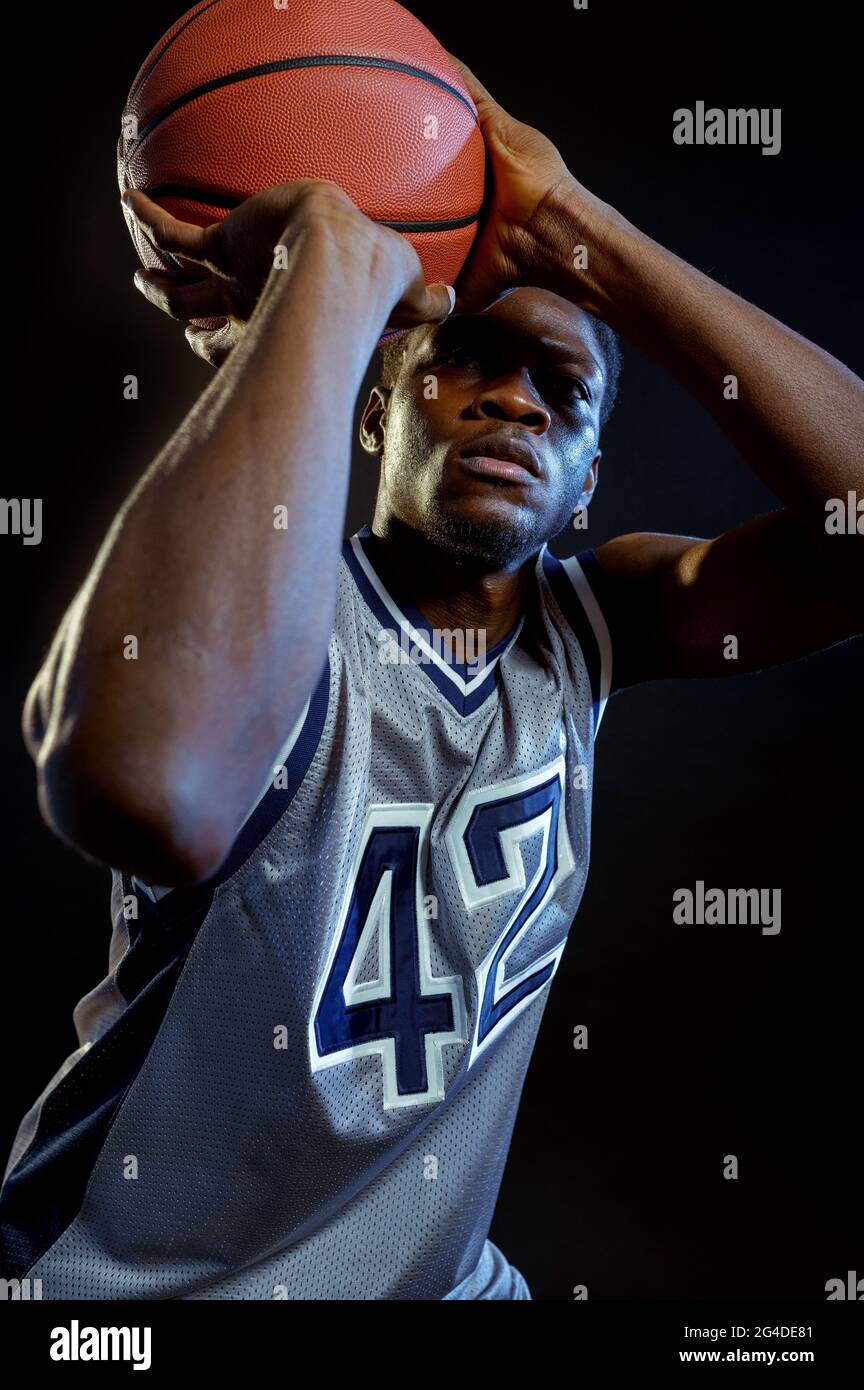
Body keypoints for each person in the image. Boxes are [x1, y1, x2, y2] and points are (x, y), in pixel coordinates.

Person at [1, 56, 860, 1300]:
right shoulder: (266, 606)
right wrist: (331, 276)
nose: (512, 399)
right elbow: (146, 784)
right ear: (373, 408)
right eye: (467, 362)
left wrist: (576, 228)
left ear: (589, 479)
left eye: (561, 392)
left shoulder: (598, 623)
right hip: (140, 1289)